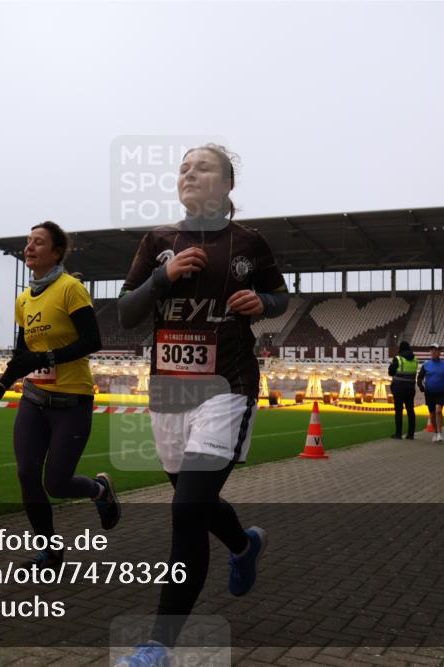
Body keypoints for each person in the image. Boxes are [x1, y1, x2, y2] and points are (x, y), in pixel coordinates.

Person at [114, 144, 289, 667]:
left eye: (203, 167)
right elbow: (126, 313)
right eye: (183, 168)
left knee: (188, 508)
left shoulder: (249, 243)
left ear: (228, 184)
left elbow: (280, 297)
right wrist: (162, 278)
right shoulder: (158, 242)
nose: (189, 173)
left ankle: (157, 646)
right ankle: (244, 546)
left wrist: (263, 303)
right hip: (170, 392)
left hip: (226, 388)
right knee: (196, 501)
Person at [0, 221, 121, 568]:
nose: (29, 247)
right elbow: (21, 357)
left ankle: (99, 490)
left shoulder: (71, 289)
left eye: (38, 242)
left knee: (56, 483)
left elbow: (92, 341)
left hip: (72, 403)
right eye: (28, 241)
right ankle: (50, 551)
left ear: (56, 252)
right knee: (27, 474)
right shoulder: (24, 300)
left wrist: (46, 358)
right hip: (33, 400)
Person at [416, 343, 444, 443]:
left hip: (441, 391)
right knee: (432, 413)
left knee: (438, 410)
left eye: (436, 350)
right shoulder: (426, 365)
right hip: (429, 392)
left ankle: (440, 433)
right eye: (431, 350)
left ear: (440, 352)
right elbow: (420, 377)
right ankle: (435, 433)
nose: (433, 352)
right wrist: (421, 387)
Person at [388, 341, 418, 440]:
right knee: (410, 411)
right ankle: (411, 434)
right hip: (410, 389)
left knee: (398, 411)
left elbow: (390, 372)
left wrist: (391, 366)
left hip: (399, 389)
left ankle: (398, 434)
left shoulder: (398, 359)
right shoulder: (415, 360)